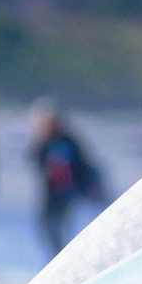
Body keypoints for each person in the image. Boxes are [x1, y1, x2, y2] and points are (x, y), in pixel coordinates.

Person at [28, 100, 101, 256]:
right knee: (46, 227)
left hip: (67, 192)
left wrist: (87, 186)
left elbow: (83, 164)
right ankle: (56, 257)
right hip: (49, 192)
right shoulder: (44, 141)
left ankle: (61, 256)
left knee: (60, 226)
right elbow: (33, 158)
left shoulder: (69, 141)